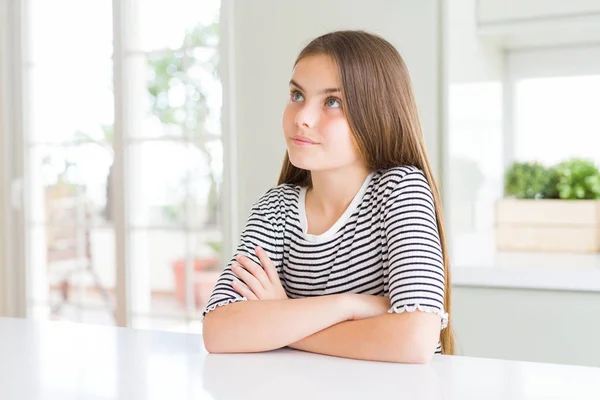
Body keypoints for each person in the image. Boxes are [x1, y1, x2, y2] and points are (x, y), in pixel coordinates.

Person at [202, 30, 454, 363]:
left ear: (376, 113)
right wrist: (348, 305)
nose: (302, 118)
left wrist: (282, 318)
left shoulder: (400, 191)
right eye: (296, 95)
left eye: (332, 101)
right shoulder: (275, 208)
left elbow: (413, 341)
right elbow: (219, 331)